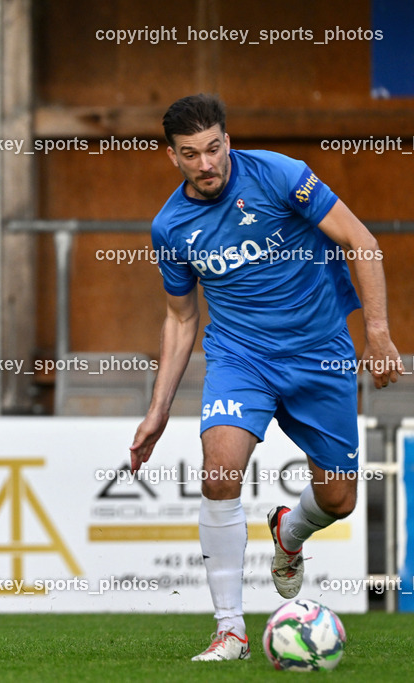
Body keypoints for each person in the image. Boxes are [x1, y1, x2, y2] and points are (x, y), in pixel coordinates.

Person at [129, 93, 403, 662]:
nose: (206, 163)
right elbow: (181, 319)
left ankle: (289, 533)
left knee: (339, 499)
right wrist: (157, 411)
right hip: (241, 359)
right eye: (190, 154)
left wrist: (377, 333)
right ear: (172, 157)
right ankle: (230, 631)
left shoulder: (281, 175)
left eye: (214, 148)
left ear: (228, 140)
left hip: (320, 354)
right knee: (219, 474)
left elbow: (361, 240)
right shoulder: (171, 227)